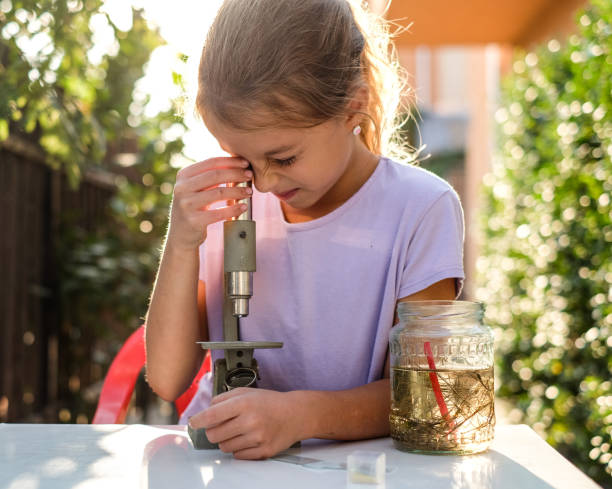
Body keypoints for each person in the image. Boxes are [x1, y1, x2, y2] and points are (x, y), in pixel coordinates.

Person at [145, 0, 464, 460]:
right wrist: (181, 242)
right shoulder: (223, 203)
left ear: (354, 105)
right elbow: (168, 377)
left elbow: (420, 394)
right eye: (245, 161)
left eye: (284, 158)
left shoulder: (420, 210)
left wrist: (299, 416)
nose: (266, 183)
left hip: (357, 471)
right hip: (222, 464)